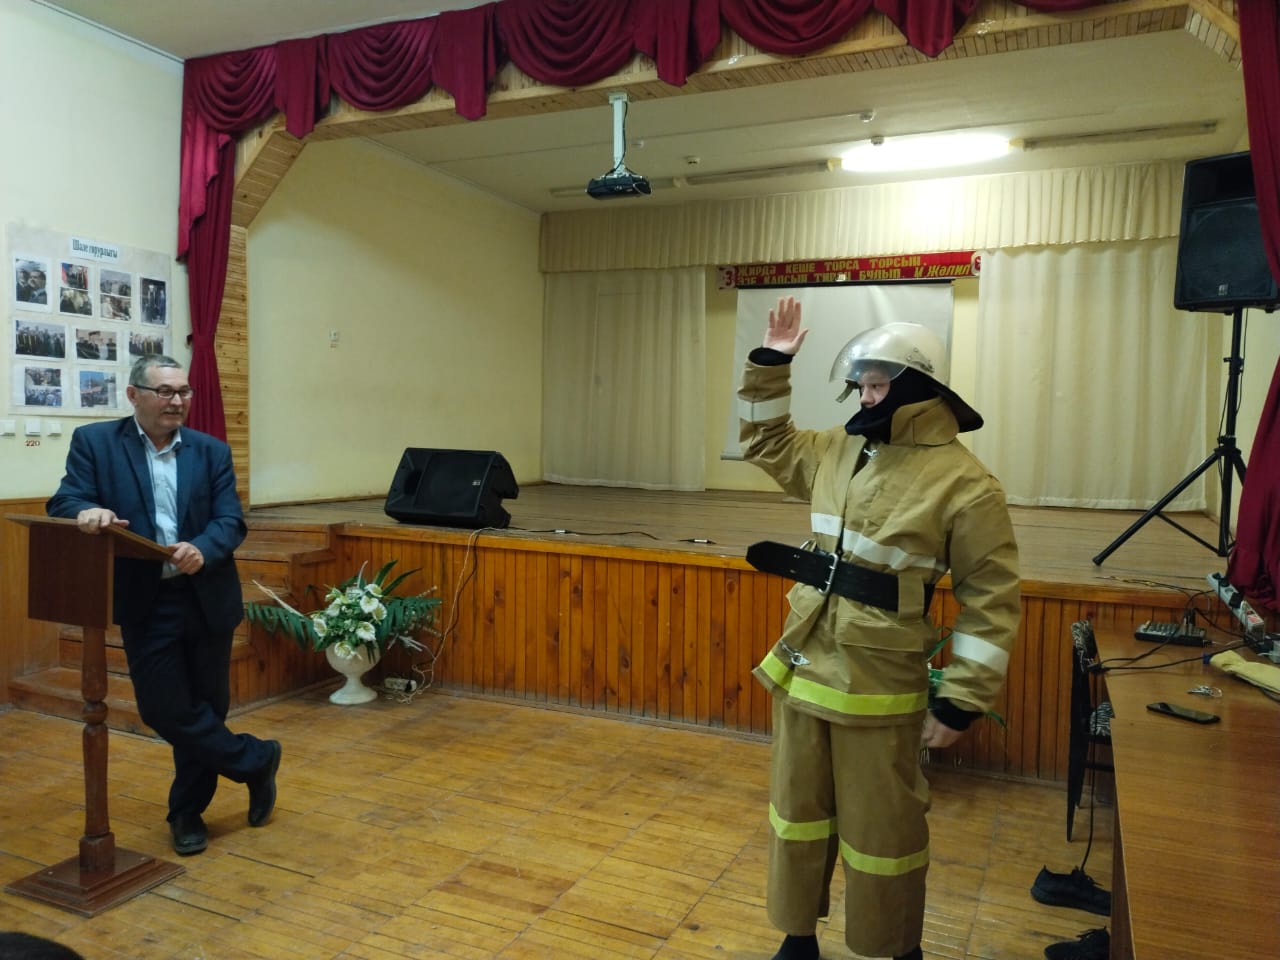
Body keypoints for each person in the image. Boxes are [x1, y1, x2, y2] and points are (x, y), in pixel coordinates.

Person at [738, 297, 1021, 960]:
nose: (863, 398)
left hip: (878, 686)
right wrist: (771, 364)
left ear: (918, 386)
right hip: (805, 666)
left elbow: (991, 599)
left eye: (875, 386)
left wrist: (962, 698)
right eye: (859, 386)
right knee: (796, 817)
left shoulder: (966, 485)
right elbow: (765, 442)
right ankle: (797, 938)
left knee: (884, 835)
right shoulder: (837, 450)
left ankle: (895, 948)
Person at [47, 354, 280, 857]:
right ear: (134, 395)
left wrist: (204, 547)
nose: (177, 401)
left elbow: (230, 520)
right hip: (145, 599)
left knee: (207, 707)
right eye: (165, 392)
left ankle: (187, 813)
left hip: (206, 594)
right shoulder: (96, 443)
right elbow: (64, 500)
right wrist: (87, 510)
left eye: (184, 392)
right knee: (163, 709)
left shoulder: (211, 451)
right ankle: (255, 760)